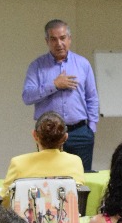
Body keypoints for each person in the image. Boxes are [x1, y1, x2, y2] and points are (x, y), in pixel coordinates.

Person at [22, 19, 99, 171]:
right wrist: (54, 85)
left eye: (63, 38)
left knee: (82, 179)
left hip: (80, 133)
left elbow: (92, 97)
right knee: (50, 178)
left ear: (69, 39)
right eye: (53, 39)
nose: (59, 43)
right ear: (47, 41)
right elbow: (27, 96)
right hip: (48, 133)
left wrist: (91, 128)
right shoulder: (37, 66)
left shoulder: (83, 64)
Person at [3, 111, 86, 183]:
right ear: (65, 137)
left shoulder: (18, 164)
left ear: (35, 135)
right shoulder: (75, 162)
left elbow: (4, 199)